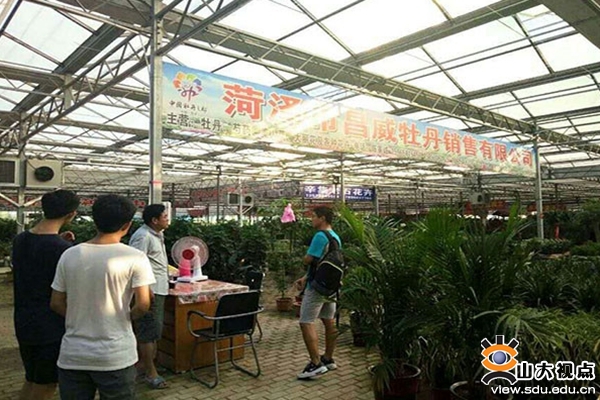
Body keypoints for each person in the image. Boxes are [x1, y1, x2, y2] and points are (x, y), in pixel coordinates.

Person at [50, 194, 155, 400]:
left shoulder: (70, 254)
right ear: (127, 225)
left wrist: (80, 317)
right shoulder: (135, 257)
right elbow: (143, 305)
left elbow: (56, 303)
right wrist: (121, 318)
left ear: (95, 220)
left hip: (74, 355)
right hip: (115, 355)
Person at [12, 189, 79, 400]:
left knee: (32, 378)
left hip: (23, 320)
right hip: (50, 325)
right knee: (46, 384)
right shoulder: (62, 249)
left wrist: (60, 241)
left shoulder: (21, 239)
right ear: (71, 214)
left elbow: (37, 257)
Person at [294, 206, 341, 379]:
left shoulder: (319, 236)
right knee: (329, 321)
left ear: (322, 218)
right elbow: (323, 263)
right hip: (331, 286)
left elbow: (309, 259)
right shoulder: (335, 236)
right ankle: (328, 358)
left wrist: (305, 260)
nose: (311, 219)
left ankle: (315, 364)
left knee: (306, 321)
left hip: (317, 287)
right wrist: (305, 277)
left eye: (314, 216)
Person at [129, 204, 170, 389]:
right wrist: (145, 289)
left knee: (154, 331)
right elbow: (134, 264)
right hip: (150, 291)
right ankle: (150, 373)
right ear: (154, 220)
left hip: (159, 288)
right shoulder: (143, 236)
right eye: (164, 216)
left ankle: (143, 366)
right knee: (148, 331)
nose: (167, 219)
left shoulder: (157, 234)